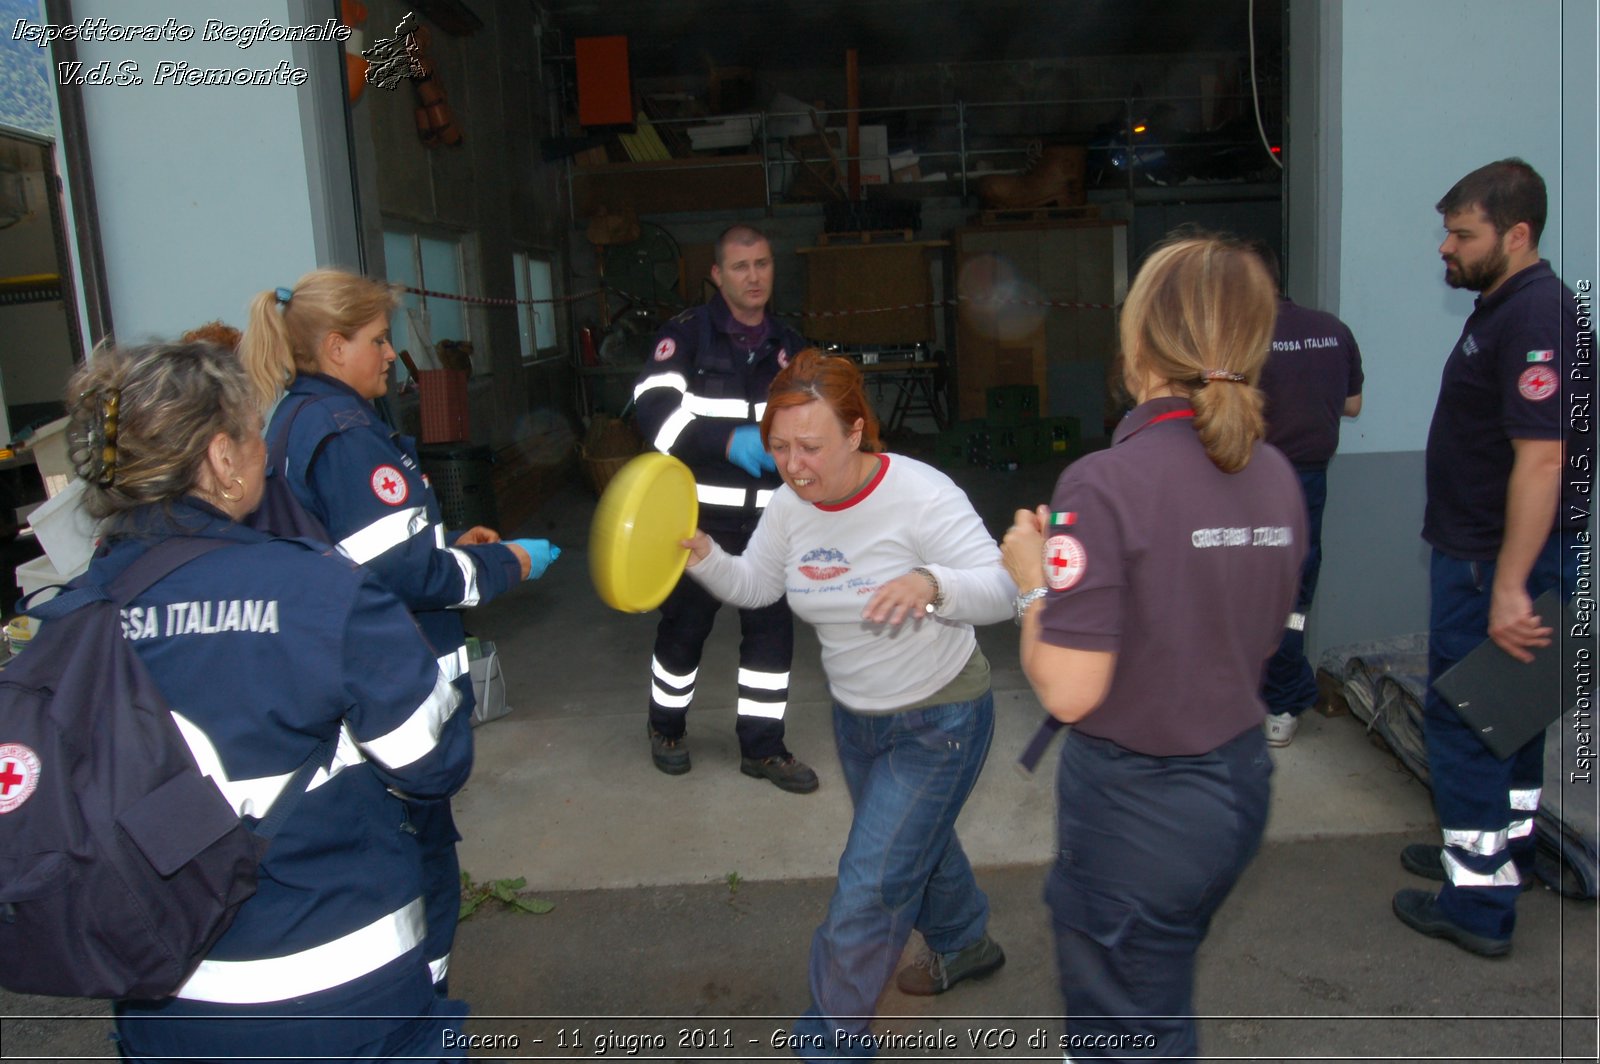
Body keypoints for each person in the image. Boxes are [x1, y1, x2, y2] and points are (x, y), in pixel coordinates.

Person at [68, 341, 471, 1061]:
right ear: (222, 460)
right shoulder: (321, 591)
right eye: (254, 433)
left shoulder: (72, 614)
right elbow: (431, 763)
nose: (265, 451)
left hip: (164, 998)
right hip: (343, 989)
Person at [1002, 234, 1305, 1060]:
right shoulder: (1276, 475)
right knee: (1151, 1002)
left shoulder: (1104, 483)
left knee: (1125, 1036)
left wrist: (1032, 578)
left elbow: (1068, 690)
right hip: (1237, 788)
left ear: (1138, 343)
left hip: (1141, 814)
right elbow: (1245, 632)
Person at [682, 349, 1015, 1058]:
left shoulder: (921, 494)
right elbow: (759, 587)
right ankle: (965, 942)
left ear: (858, 432)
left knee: (870, 884)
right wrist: (704, 555)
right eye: (778, 447)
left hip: (941, 719)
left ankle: (829, 1045)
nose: (794, 466)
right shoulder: (789, 505)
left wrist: (931, 584)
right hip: (856, 719)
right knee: (909, 844)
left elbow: (1002, 588)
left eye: (811, 446)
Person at [240, 268, 556, 993]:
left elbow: (370, 550)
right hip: (384, 705)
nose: (390, 355)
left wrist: (452, 548)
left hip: (335, 690)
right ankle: (425, 1012)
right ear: (333, 345)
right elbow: (403, 579)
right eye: (378, 341)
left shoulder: (297, 420)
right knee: (421, 873)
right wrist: (503, 565)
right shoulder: (346, 435)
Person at [1394, 158, 1590, 957]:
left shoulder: (1534, 316)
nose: (1446, 247)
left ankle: (1475, 905)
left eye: (1462, 233)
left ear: (1517, 233)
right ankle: (1496, 853)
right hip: (1491, 556)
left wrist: (1509, 584)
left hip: (1492, 563)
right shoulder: (1507, 306)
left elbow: (1543, 458)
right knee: (1511, 713)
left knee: (1468, 718)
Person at [631, 223, 817, 792]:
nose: (754, 276)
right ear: (717, 274)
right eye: (740, 266)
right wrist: (728, 441)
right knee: (684, 631)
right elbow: (655, 411)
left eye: (762, 264)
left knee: (770, 638)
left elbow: (817, 418)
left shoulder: (791, 343)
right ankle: (666, 729)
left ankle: (763, 748)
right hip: (697, 523)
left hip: (770, 525)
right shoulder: (685, 337)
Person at [1247, 240, 1365, 747]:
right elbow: (1353, 405)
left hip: (1255, 479)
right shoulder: (1332, 330)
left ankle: (1280, 696)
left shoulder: (1242, 339)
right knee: (1294, 592)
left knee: (1256, 592)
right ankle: (1284, 693)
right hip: (1310, 480)